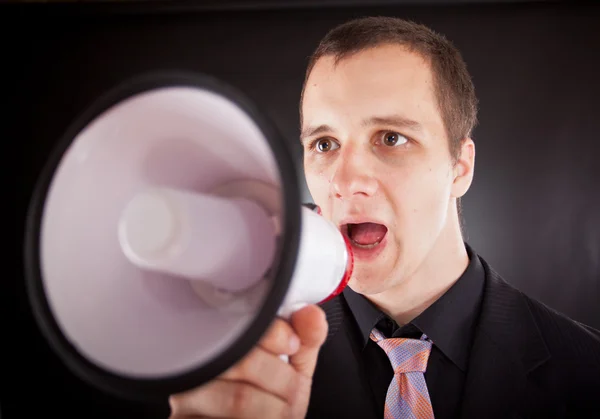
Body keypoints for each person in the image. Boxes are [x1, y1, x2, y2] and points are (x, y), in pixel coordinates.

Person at [168, 16, 600, 419]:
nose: (345, 180)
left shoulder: (586, 370)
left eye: (391, 138)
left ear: (460, 167)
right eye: (324, 143)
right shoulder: (238, 366)